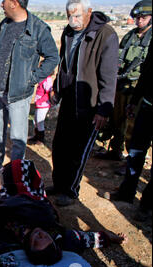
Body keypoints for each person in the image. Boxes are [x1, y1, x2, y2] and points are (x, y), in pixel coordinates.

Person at [49, 0, 119, 206]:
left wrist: (104, 109)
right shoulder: (69, 33)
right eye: (69, 16)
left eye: (77, 16)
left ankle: (70, 191)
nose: (73, 20)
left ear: (89, 13)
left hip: (90, 103)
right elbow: (65, 65)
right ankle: (59, 183)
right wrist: (57, 88)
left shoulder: (106, 35)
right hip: (70, 99)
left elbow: (108, 76)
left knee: (78, 150)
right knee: (60, 145)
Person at [0, 0, 59, 167]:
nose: (1, 5)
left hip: (18, 94)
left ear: (14, 3)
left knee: (17, 139)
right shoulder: (5, 24)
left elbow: (53, 57)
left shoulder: (38, 29)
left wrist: (31, 79)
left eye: (4, 1)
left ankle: (16, 173)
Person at [96, 0, 152, 162]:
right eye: (137, 17)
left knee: (133, 124)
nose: (139, 20)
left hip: (138, 87)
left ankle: (131, 158)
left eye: (143, 17)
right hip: (121, 83)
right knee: (117, 119)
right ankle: (115, 150)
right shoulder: (130, 36)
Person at [110, 40, 152, 222]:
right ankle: (127, 192)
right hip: (148, 107)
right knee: (135, 152)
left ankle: (147, 204)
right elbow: (146, 74)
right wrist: (135, 101)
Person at [28, 72, 55, 145]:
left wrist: (40, 101)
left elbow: (48, 93)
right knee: (35, 120)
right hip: (39, 104)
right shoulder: (43, 79)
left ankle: (41, 139)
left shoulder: (48, 80)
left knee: (40, 121)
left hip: (43, 104)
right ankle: (36, 136)